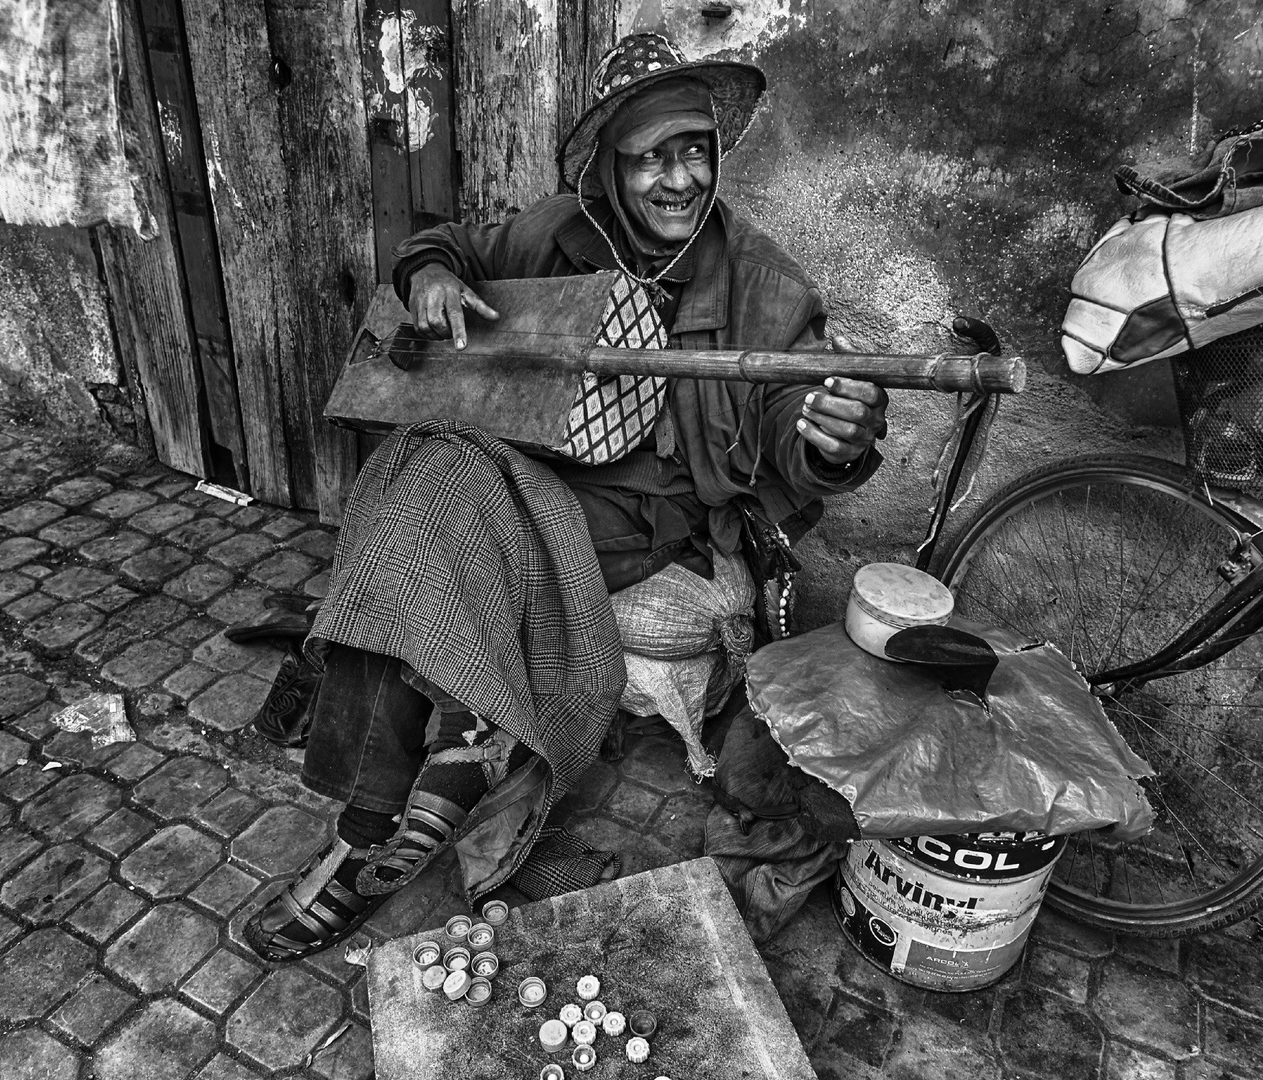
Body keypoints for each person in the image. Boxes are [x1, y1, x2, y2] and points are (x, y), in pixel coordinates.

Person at [243, 31, 887, 963]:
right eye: (651, 156)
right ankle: (386, 816)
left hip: (646, 526)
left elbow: (800, 411)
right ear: (608, 167)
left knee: (424, 511)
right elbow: (446, 242)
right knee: (415, 477)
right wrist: (429, 276)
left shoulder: (764, 286)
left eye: (696, 150)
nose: (679, 179)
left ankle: (387, 818)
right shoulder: (556, 233)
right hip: (527, 478)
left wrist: (833, 435)